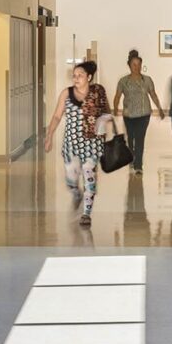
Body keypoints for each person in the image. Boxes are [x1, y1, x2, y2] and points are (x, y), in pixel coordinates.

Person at [43, 60, 111, 226]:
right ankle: (76, 193)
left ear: (89, 77)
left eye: (80, 75)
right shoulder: (66, 94)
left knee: (89, 178)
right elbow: (57, 116)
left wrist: (101, 123)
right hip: (71, 145)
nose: (76, 78)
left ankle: (86, 213)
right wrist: (50, 135)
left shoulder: (97, 92)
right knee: (71, 180)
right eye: (74, 76)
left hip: (91, 144)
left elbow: (107, 113)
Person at [112, 49, 164, 174]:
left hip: (144, 114)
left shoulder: (147, 80)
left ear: (142, 65)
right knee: (131, 138)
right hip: (129, 115)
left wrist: (160, 108)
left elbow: (153, 94)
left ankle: (138, 165)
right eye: (134, 65)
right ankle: (131, 158)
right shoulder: (123, 81)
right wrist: (115, 108)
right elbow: (118, 96)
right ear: (129, 66)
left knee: (140, 138)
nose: (137, 67)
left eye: (139, 64)